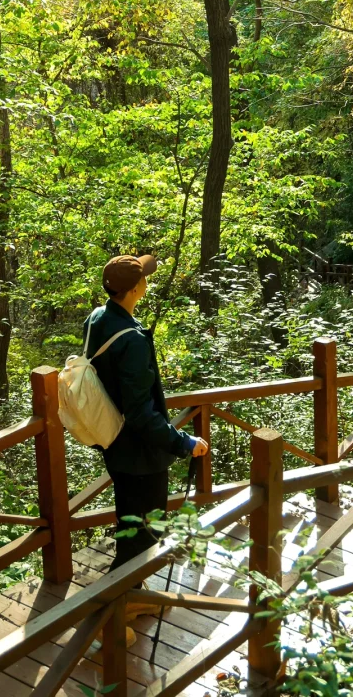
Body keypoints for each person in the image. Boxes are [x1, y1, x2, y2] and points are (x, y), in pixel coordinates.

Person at [85, 253, 209, 620]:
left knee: (129, 521)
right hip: (140, 452)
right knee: (146, 531)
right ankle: (118, 606)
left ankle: (128, 594)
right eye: (144, 278)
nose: (147, 282)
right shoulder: (133, 340)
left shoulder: (98, 318)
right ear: (137, 288)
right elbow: (141, 412)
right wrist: (183, 443)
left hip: (112, 439)